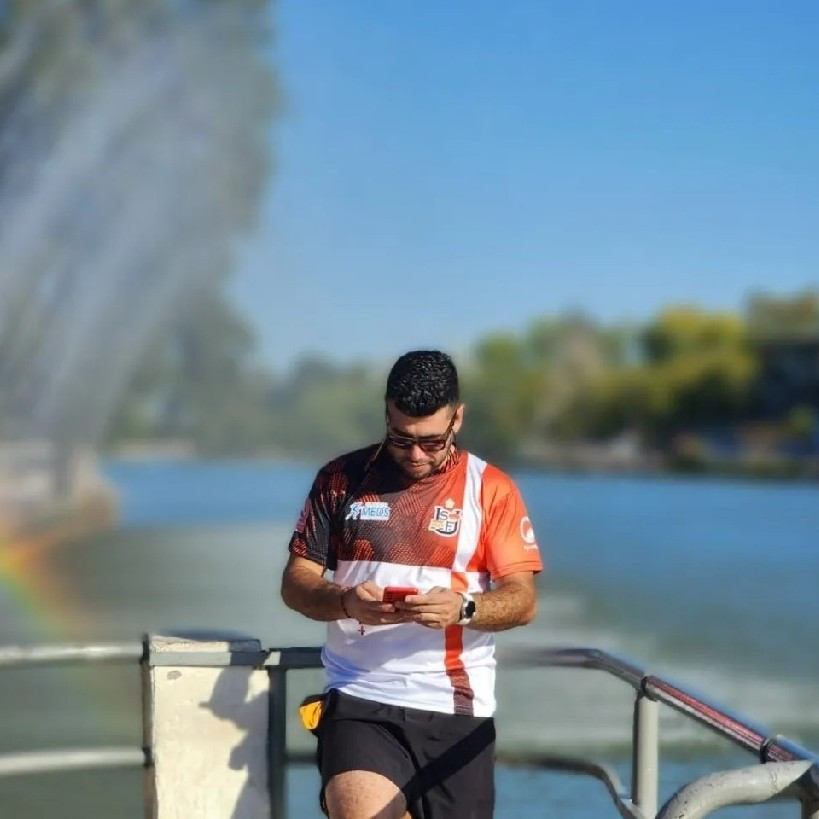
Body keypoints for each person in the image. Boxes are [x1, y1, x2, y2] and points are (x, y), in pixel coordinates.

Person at [281, 350, 543, 819]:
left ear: (457, 419)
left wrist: (463, 609)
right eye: (401, 438)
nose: (416, 454)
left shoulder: (492, 489)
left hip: (457, 712)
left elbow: (522, 601)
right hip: (360, 698)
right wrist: (345, 602)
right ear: (386, 413)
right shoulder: (340, 480)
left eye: (431, 441)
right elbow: (296, 583)